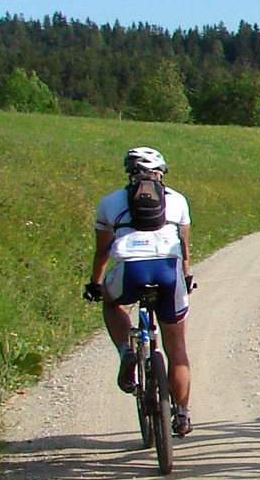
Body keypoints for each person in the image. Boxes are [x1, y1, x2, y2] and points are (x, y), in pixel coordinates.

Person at [84, 146, 195, 436]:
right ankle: (182, 414)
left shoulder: (110, 202)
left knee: (111, 303)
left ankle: (125, 353)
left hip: (130, 271)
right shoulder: (178, 200)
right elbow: (183, 248)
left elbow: (102, 250)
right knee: (178, 349)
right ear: (160, 173)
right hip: (169, 273)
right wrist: (186, 277)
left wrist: (95, 284)